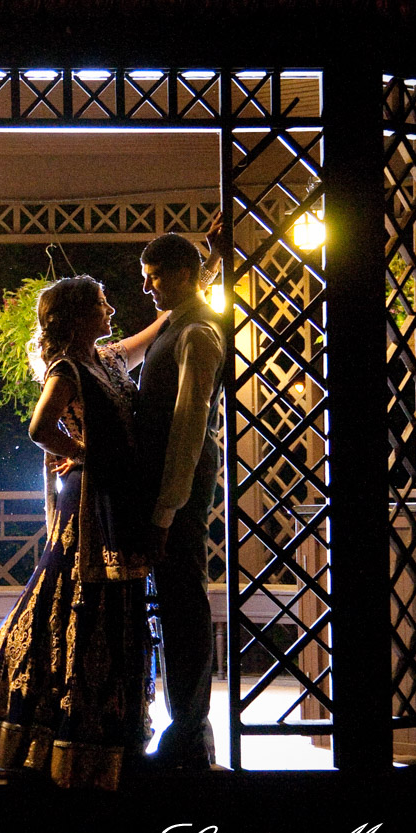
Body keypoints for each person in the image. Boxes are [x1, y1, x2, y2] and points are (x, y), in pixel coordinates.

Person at [0, 276, 168, 789]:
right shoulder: (67, 369)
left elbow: (154, 330)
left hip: (115, 499)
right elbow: (41, 429)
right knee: (58, 602)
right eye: (101, 303)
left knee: (100, 608)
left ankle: (102, 736)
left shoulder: (105, 359)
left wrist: (203, 277)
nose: (111, 307)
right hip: (87, 504)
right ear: (81, 315)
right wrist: (86, 453)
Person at [136, 227, 229, 770]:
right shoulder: (180, 320)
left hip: (181, 489)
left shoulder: (198, 334)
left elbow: (189, 425)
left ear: (183, 277)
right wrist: (210, 262)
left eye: (155, 278)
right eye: (146, 279)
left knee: (184, 606)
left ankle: (191, 733)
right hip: (165, 487)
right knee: (174, 605)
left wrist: (167, 510)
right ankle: (186, 729)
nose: (149, 289)